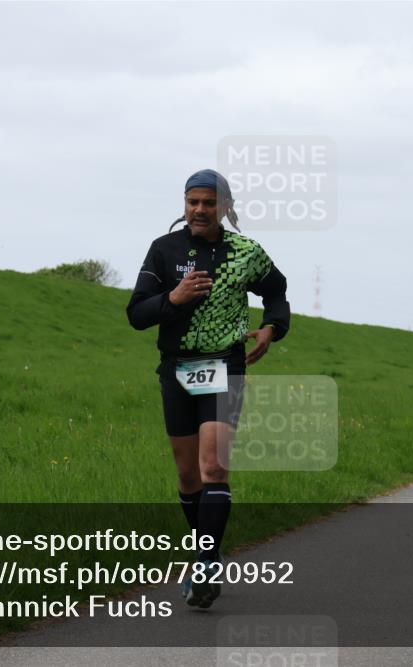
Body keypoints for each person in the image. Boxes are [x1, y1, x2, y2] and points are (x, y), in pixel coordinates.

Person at [126, 169, 290, 608]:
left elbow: (276, 288)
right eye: (192, 202)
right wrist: (173, 299)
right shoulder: (164, 250)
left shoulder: (245, 252)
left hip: (224, 364)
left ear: (225, 208)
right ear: (184, 204)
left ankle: (204, 566)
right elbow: (137, 314)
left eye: (209, 203)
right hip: (176, 367)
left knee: (213, 468)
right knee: (187, 476)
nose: (199, 210)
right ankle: (208, 549)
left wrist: (272, 327)